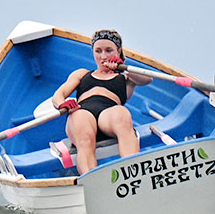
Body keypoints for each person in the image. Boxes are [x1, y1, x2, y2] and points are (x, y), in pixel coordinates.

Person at [49, 29, 152, 174]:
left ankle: (133, 172)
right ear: (93, 52)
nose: (103, 56)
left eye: (109, 50)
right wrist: (62, 104)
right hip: (83, 114)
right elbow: (58, 95)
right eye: (98, 51)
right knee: (81, 127)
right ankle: (91, 177)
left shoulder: (126, 76)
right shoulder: (82, 74)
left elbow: (147, 79)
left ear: (118, 51)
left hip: (109, 118)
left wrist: (123, 69)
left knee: (121, 113)